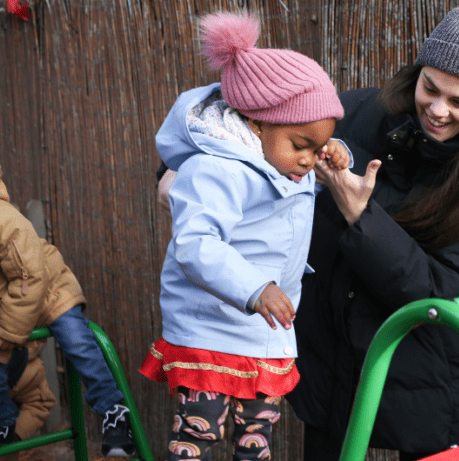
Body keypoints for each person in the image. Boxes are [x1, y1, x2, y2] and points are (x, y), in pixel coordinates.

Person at [285, 2, 459, 459]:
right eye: (429, 87)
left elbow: (441, 292)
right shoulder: (360, 111)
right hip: (335, 357)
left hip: (432, 366)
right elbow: (253, 112)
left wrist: (363, 217)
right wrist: (175, 168)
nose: (437, 110)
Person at [138, 10, 348, 461]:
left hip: (265, 333)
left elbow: (306, 151)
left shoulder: (282, 157)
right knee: (198, 434)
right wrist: (254, 288)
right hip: (211, 332)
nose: (311, 160)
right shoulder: (215, 169)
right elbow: (196, 245)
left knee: (256, 439)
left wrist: (338, 151)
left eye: (319, 146)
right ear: (256, 123)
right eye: (302, 144)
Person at [0, 153, 135, 458]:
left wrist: (10, 332)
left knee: (78, 342)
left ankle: (113, 412)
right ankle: (2, 423)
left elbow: (30, 277)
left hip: (50, 290)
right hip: (9, 308)